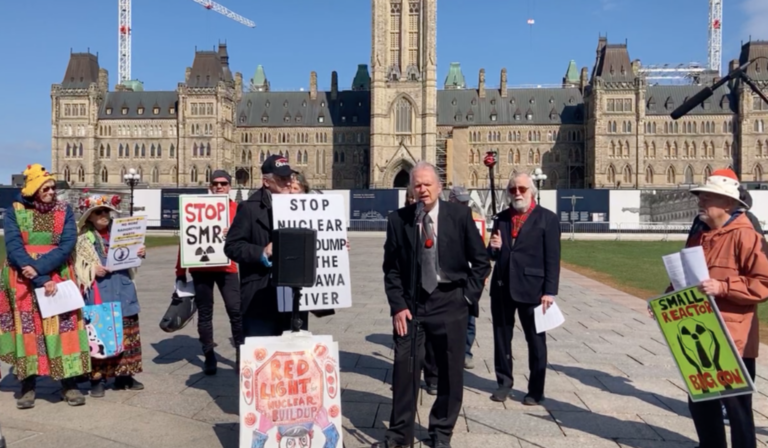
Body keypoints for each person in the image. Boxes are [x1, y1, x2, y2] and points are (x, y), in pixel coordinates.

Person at [374, 162, 491, 448]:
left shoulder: (460, 216)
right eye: (418, 185)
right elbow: (391, 270)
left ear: (439, 187)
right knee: (404, 370)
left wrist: (467, 298)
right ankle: (400, 436)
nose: (423, 189)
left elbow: (481, 262)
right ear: (411, 189)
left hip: (450, 301)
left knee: (450, 372)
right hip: (412, 304)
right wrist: (398, 306)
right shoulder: (399, 220)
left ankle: (440, 433)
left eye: (428, 184)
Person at [676, 168, 768, 448]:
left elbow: (763, 282)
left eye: (707, 198)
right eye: (701, 197)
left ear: (727, 203)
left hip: (733, 339)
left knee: (738, 409)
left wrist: (723, 287)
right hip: (700, 333)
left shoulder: (746, 236)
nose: (700, 202)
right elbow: (684, 278)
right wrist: (668, 300)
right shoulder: (699, 236)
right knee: (700, 402)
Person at [0, 164, 90, 408]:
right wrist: (39, 278)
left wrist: (40, 269)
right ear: (34, 190)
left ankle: (68, 383)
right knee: (28, 331)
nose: (52, 191)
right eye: (46, 188)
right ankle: (28, 384)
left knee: (64, 329)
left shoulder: (64, 210)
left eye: (53, 187)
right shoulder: (15, 211)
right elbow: (15, 247)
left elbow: (67, 243)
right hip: (23, 279)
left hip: (57, 274)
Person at [487, 173, 561, 405]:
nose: (517, 193)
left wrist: (549, 291)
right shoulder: (501, 218)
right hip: (502, 287)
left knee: (535, 341)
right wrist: (493, 248)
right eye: (512, 189)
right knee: (501, 337)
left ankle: (536, 389)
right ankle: (504, 383)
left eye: (521, 188)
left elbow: (552, 258)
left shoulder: (547, 219)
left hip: (533, 289)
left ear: (532, 191)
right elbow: (493, 253)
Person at [74, 194, 147, 396]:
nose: (104, 215)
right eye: (98, 212)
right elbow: (77, 265)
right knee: (99, 334)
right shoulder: (82, 239)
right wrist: (92, 269)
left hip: (122, 288)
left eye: (106, 211)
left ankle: (125, 375)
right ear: (89, 217)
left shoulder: (123, 232)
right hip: (100, 291)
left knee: (127, 331)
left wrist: (140, 252)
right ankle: (97, 379)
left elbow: (132, 256)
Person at [224, 155, 301, 337]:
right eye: (282, 179)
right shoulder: (249, 208)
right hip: (260, 294)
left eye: (289, 177)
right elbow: (232, 246)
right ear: (266, 182)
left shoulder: (300, 206)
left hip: (292, 295)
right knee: (259, 356)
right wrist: (262, 252)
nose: (288, 183)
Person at [175, 170, 242, 375]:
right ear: (210, 186)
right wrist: (180, 270)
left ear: (229, 186)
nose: (219, 187)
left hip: (227, 267)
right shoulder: (195, 207)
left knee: (236, 311)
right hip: (200, 267)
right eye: (215, 183)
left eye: (223, 183)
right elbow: (187, 239)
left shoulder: (237, 209)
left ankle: (241, 355)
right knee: (205, 313)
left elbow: (245, 237)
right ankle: (209, 355)